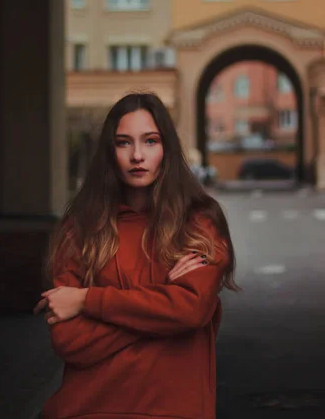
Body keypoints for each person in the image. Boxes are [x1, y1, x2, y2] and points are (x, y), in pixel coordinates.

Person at [34, 92, 239, 419]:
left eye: (151, 141)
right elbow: (70, 341)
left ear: (166, 148)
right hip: (86, 410)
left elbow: (190, 312)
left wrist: (88, 300)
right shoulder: (82, 229)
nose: (138, 155)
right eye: (124, 143)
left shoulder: (198, 224)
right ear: (110, 152)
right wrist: (165, 303)